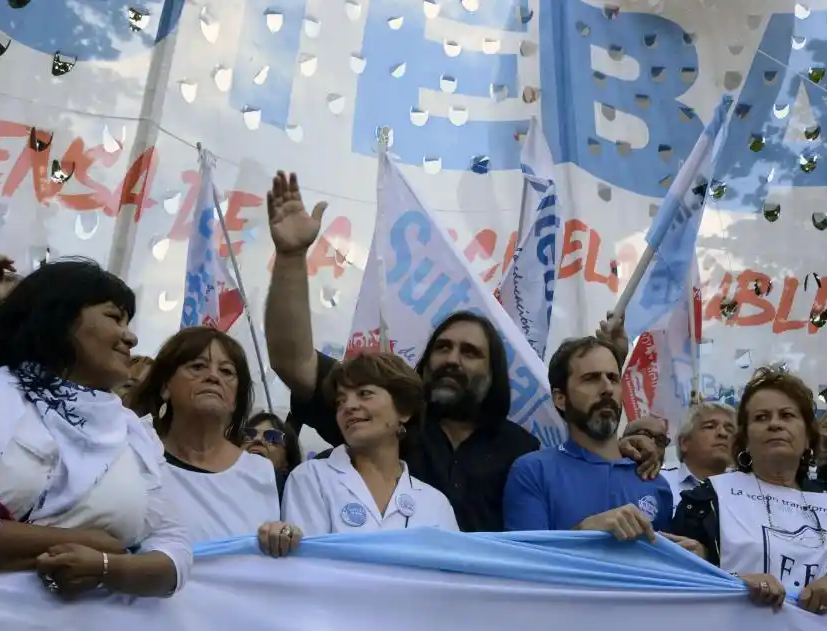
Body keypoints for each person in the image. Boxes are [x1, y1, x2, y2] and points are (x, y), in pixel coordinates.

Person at [261, 171, 655, 532]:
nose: (452, 359)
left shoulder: (521, 450)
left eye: (470, 353)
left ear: (494, 371)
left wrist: (623, 449)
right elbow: (293, 362)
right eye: (443, 348)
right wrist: (293, 258)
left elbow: (571, 468)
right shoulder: (384, 415)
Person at [0, 260, 191, 598]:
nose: (131, 336)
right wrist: (86, 544)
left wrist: (107, 569)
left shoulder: (137, 437)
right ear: (60, 319)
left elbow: (175, 552)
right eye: (114, 317)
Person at [670, 366, 827, 614]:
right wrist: (734, 584)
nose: (775, 424)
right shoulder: (706, 499)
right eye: (761, 417)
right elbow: (675, 580)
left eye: (787, 415)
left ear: (808, 437)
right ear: (744, 439)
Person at [262, 352, 457, 556]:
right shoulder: (311, 478)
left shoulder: (436, 504)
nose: (349, 406)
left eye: (364, 394)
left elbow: (450, 580)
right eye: (340, 401)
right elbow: (309, 569)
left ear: (404, 411)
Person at [504, 337, 677, 542]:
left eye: (613, 378)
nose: (607, 388)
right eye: (591, 379)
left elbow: (665, 569)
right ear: (560, 398)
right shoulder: (532, 472)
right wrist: (583, 532)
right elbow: (526, 565)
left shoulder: (654, 482)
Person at [125, 327, 280, 542]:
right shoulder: (136, 458)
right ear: (165, 387)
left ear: (236, 399)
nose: (213, 377)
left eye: (226, 371)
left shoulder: (263, 473)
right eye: (198, 367)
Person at [662, 402, 736, 495]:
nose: (723, 433)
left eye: (729, 430)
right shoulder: (659, 483)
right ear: (684, 443)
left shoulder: (749, 489)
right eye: (710, 426)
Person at [241, 411, 302, 496]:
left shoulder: (296, 497)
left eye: (272, 436)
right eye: (249, 434)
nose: (257, 439)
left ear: (287, 461)